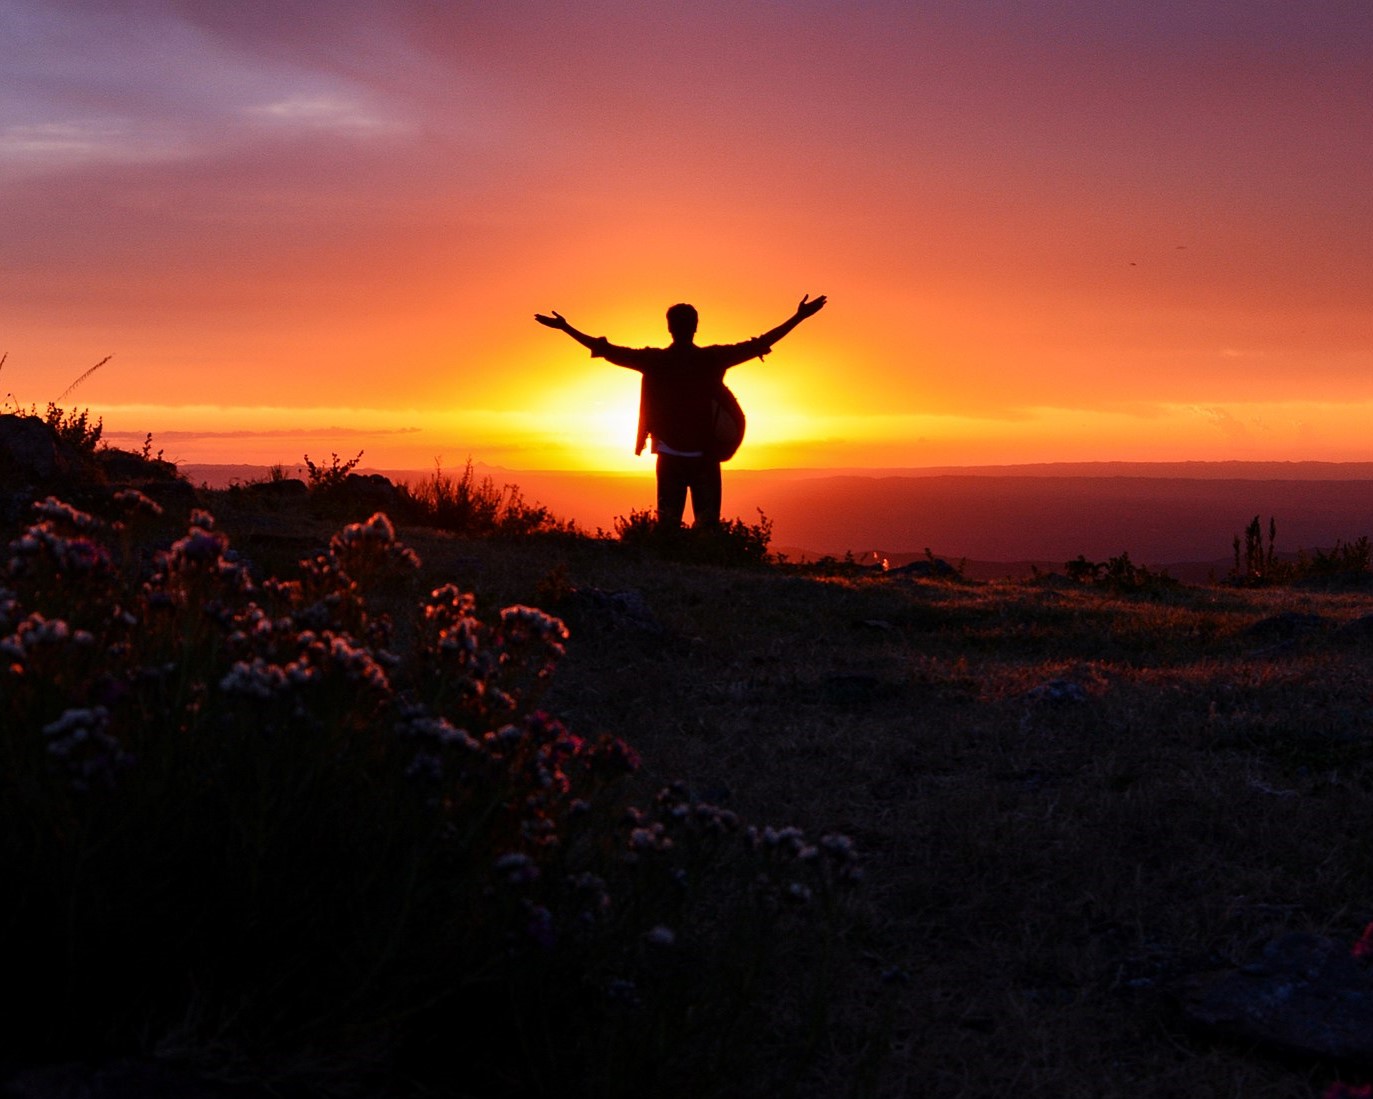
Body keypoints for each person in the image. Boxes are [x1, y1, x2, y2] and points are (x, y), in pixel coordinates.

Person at [534, 294, 826, 528]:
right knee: (708, 526)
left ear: (669, 327)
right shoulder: (712, 359)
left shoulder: (655, 361)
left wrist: (566, 328)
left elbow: (607, 350)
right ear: (696, 326)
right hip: (706, 458)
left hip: (669, 456)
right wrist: (799, 317)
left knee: (667, 527)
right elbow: (761, 343)